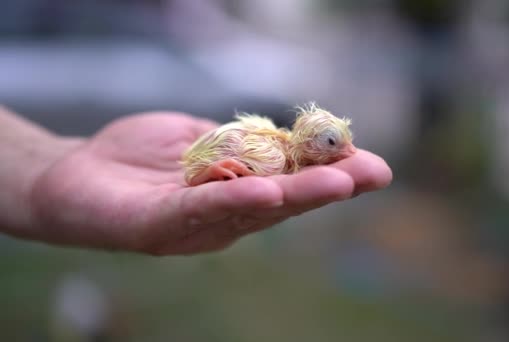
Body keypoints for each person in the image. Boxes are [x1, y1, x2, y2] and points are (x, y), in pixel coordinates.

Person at [0, 105, 392, 255]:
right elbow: (197, 166)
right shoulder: (272, 155)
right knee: (265, 168)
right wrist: (208, 171)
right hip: (214, 156)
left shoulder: (274, 142)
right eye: (333, 143)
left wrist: (38, 165)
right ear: (310, 143)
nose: (349, 153)